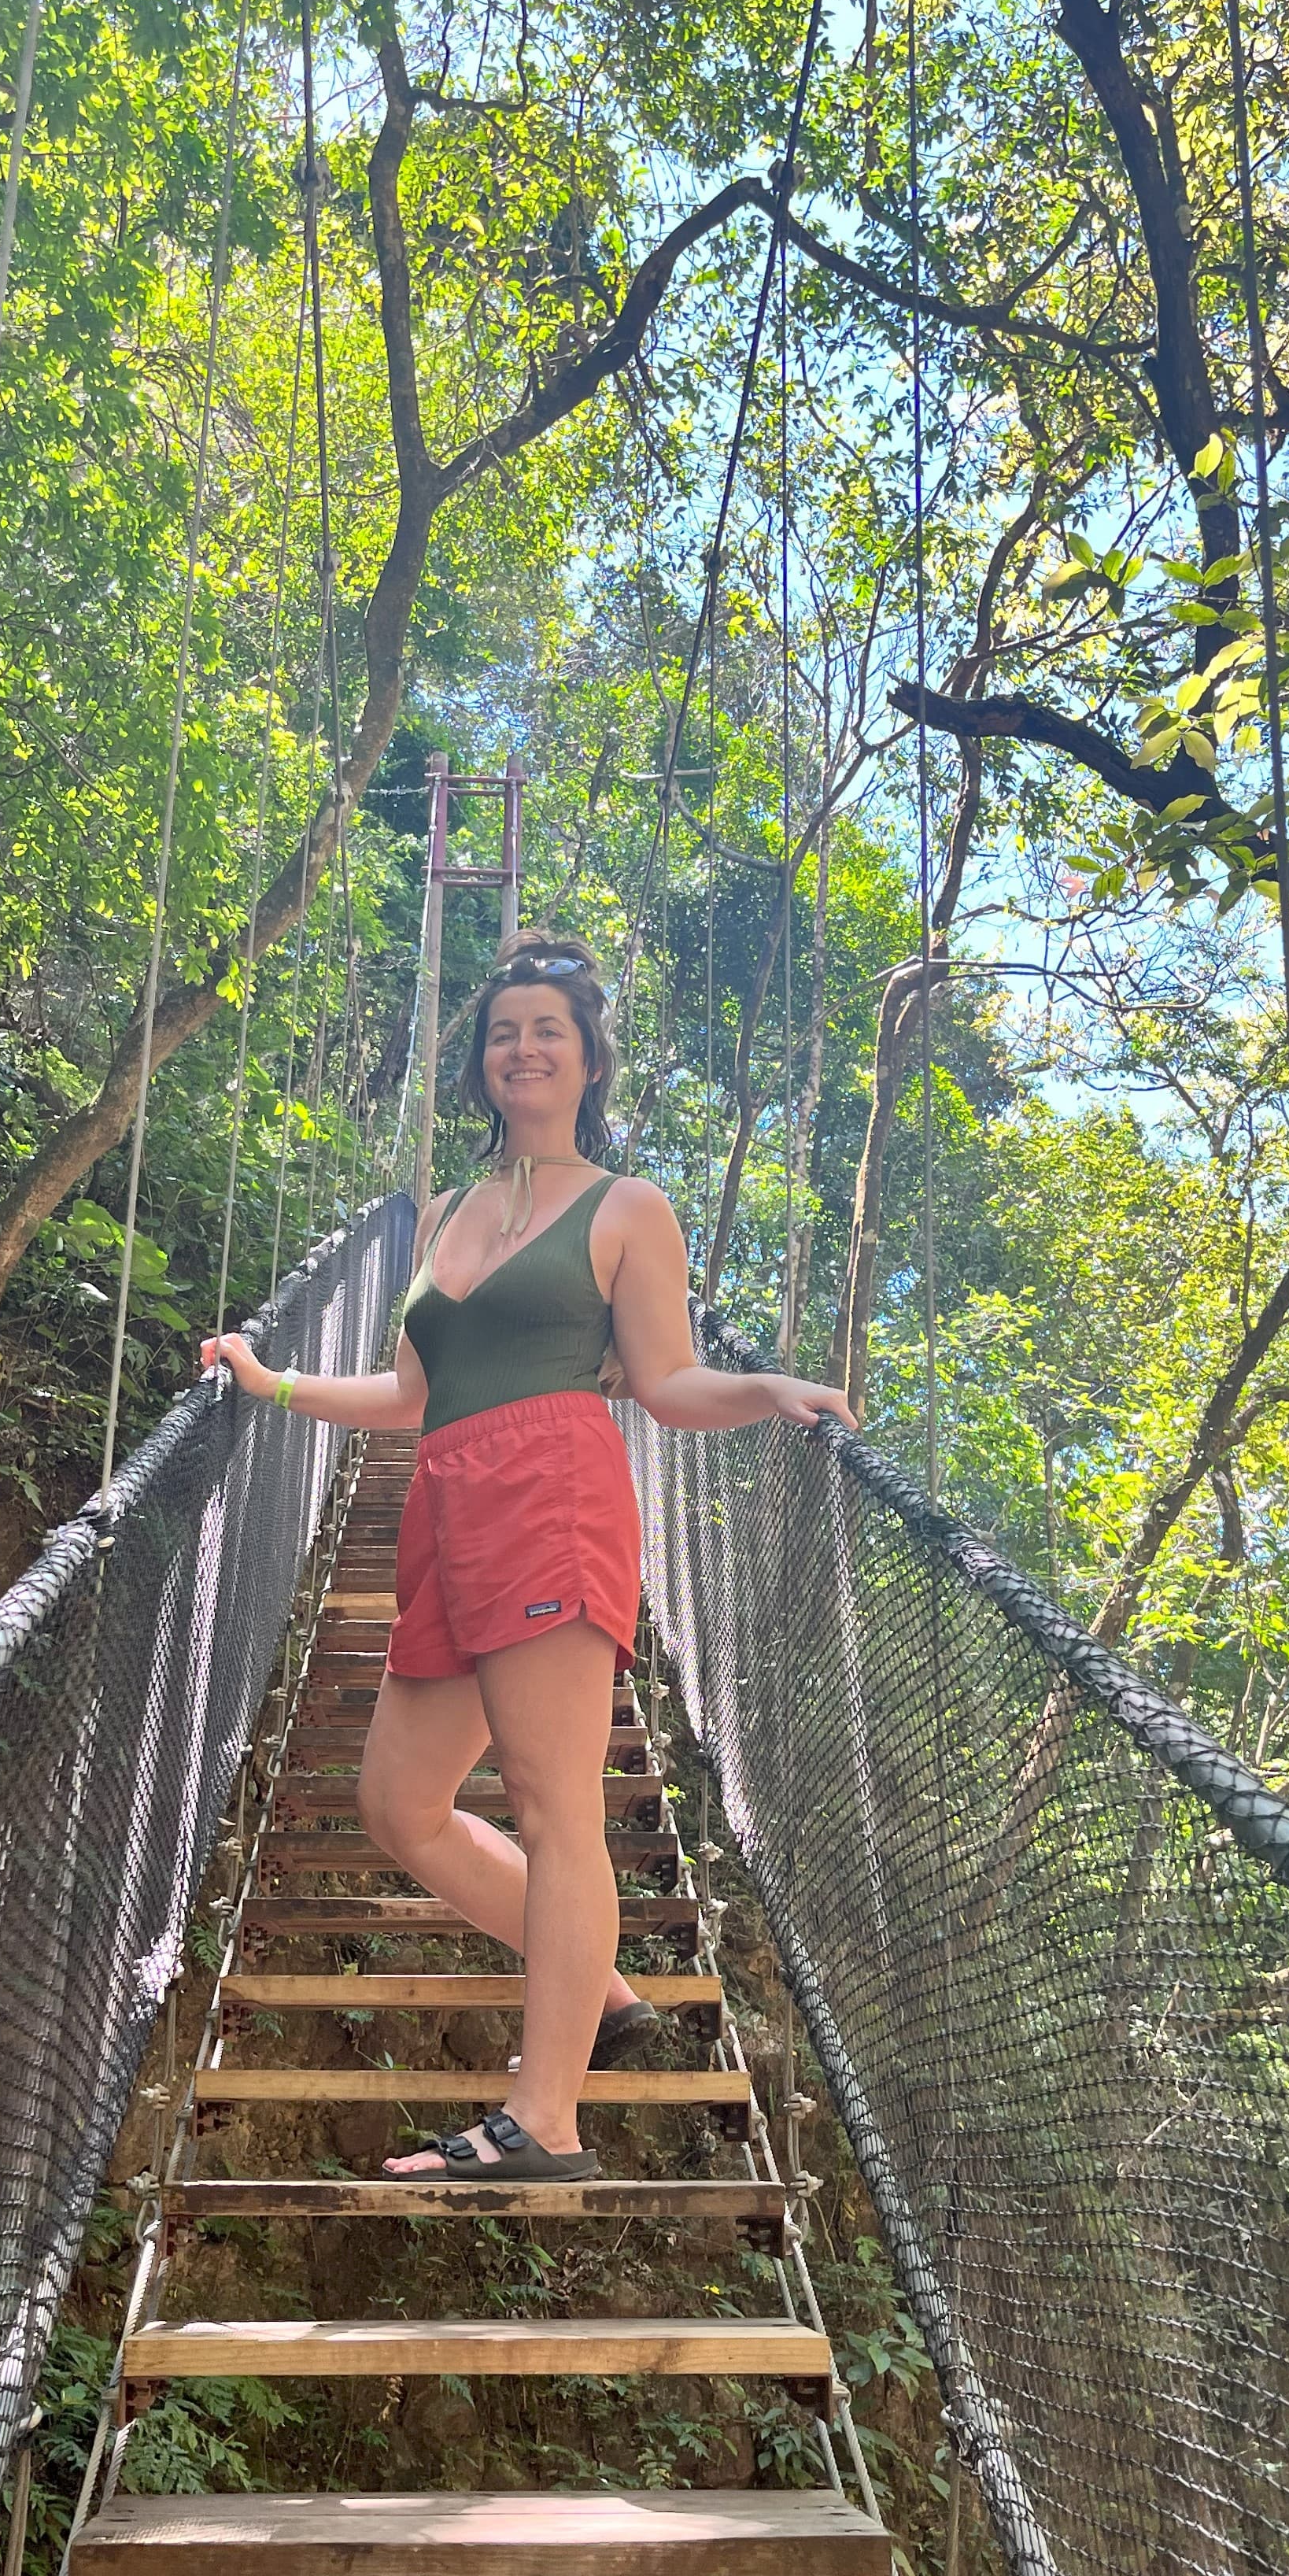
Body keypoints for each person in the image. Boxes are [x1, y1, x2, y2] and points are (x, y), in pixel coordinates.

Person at [201, 930, 855, 2183]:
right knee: (399, 1803)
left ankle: (545, 2120)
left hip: (554, 1492)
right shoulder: (444, 1215)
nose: (523, 1049)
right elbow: (409, 1396)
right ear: (483, 1064)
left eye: (548, 1030)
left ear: (588, 1057)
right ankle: (591, 1979)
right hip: (445, 1504)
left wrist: (768, 1389)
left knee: (556, 1807)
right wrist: (269, 1379)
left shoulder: (627, 1207)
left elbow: (666, 1382)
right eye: (504, 1033)